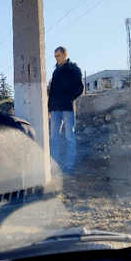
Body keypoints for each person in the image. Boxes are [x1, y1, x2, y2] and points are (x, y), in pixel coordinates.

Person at [48, 46, 84, 174]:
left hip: (67, 108)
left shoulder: (73, 69)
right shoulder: (55, 71)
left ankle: (69, 167)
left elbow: (80, 88)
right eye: (55, 56)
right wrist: (49, 107)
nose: (56, 58)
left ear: (64, 55)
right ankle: (54, 167)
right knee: (54, 138)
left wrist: (69, 98)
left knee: (69, 137)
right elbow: (51, 91)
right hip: (55, 109)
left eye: (58, 55)